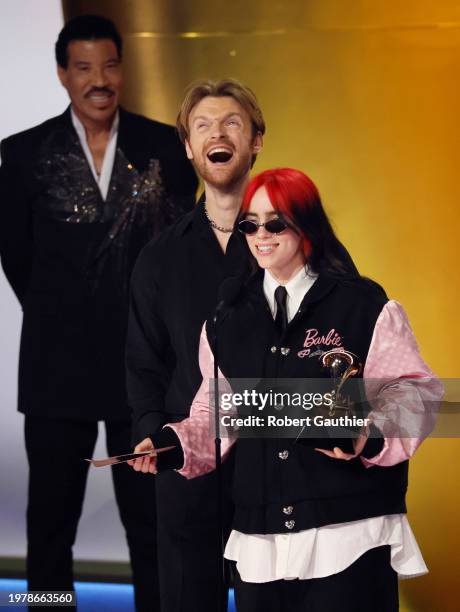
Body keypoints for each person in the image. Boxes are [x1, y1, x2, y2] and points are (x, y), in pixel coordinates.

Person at [140, 168, 443, 612]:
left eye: (276, 222)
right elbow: (217, 413)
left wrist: (364, 433)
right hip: (259, 541)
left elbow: (419, 395)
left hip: (349, 534)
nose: (261, 234)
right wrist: (172, 445)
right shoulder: (225, 321)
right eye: (250, 223)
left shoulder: (363, 306)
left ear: (307, 225)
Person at [127, 81, 358, 611]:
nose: (218, 133)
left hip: (284, 478)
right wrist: (154, 441)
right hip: (189, 485)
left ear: (256, 140)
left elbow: (346, 345)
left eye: (232, 122)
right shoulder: (158, 258)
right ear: (188, 147)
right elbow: (143, 366)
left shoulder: (311, 243)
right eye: (203, 125)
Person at [0, 15, 197, 611]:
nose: (98, 80)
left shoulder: (166, 146)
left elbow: (181, 251)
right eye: (83, 67)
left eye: (109, 65)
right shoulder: (22, 154)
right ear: (63, 74)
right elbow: (18, 258)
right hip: (56, 368)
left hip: (146, 369)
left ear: (123, 69)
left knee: (150, 522)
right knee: (51, 523)